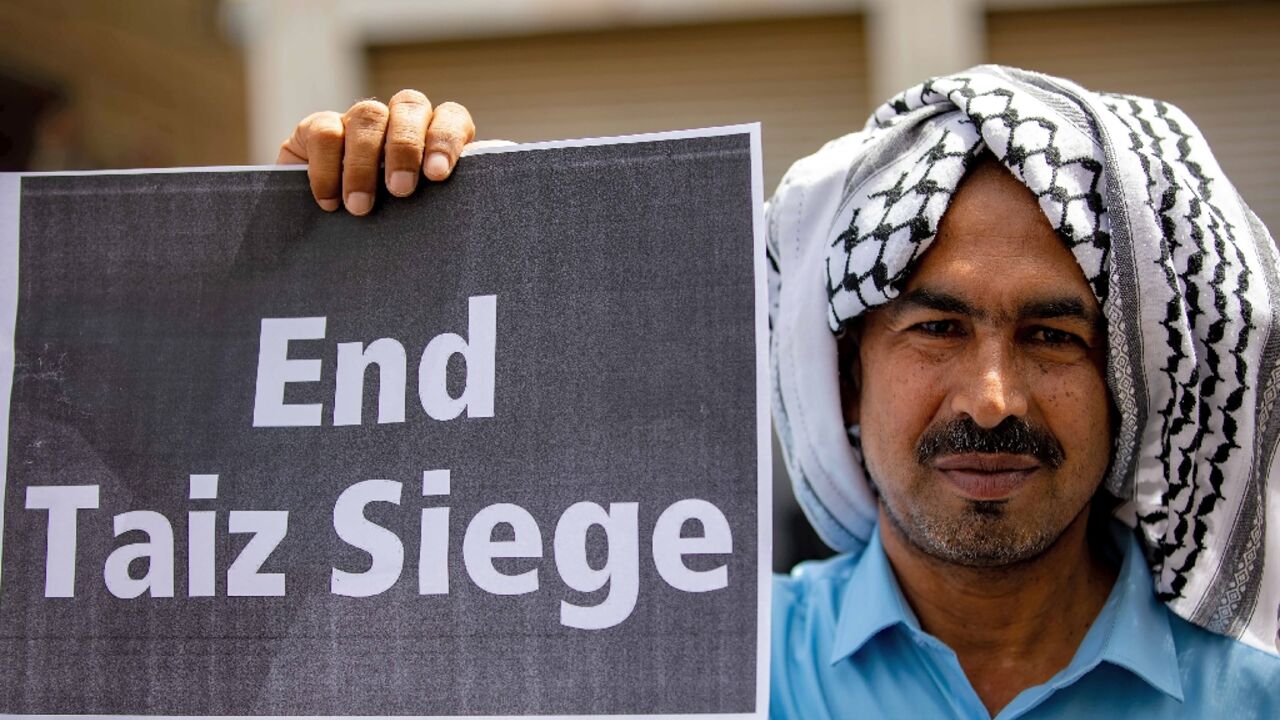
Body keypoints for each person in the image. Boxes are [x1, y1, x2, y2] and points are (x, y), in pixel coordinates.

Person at [278, 66, 1280, 718]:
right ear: (844, 376)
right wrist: (375, 264)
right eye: (933, 327)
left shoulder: (1249, 690)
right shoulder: (705, 669)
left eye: (1051, 337)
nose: (988, 397)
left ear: (1132, 386)